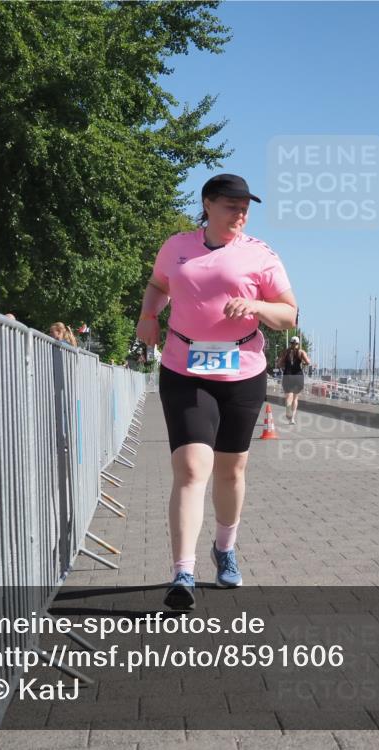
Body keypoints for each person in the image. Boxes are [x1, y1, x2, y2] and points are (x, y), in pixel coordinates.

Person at [137, 173, 297, 611]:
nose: (240, 213)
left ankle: (224, 548)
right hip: (184, 367)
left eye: (245, 207)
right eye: (231, 205)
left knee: (231, 471)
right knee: (192, 468)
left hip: (243, 371)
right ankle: (182, 573)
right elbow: (157, 285)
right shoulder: (177, 247)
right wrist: (149, 316)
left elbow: (289, 313)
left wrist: (259, 306)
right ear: (207, 204)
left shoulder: (260, 254)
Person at [276, 336, 310, 424]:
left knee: (288, 397)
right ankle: (292, 419)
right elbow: (308, 362)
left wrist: (283, 365)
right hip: (298, 376)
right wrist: (303, 363)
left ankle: (288, 409)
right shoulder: (301, 352)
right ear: (298, 344)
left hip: (287, 375)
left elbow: (279, 363)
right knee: (295, 398)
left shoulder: (286, 352)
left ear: (290, 343)